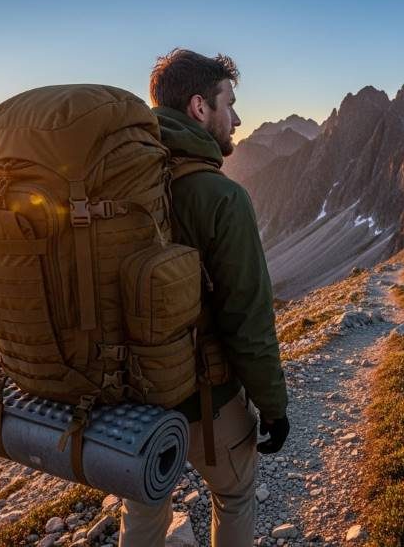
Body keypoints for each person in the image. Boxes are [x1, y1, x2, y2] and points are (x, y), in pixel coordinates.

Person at [119, 48, 290, 547]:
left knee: (145, 502)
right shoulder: (222, 197)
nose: (237, 118)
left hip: (131, 394)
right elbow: (247, 316)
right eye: (229, 103)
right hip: (203, 400)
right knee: (234, 495)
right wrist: (272, 406)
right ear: (199, 107)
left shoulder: (125, 180)